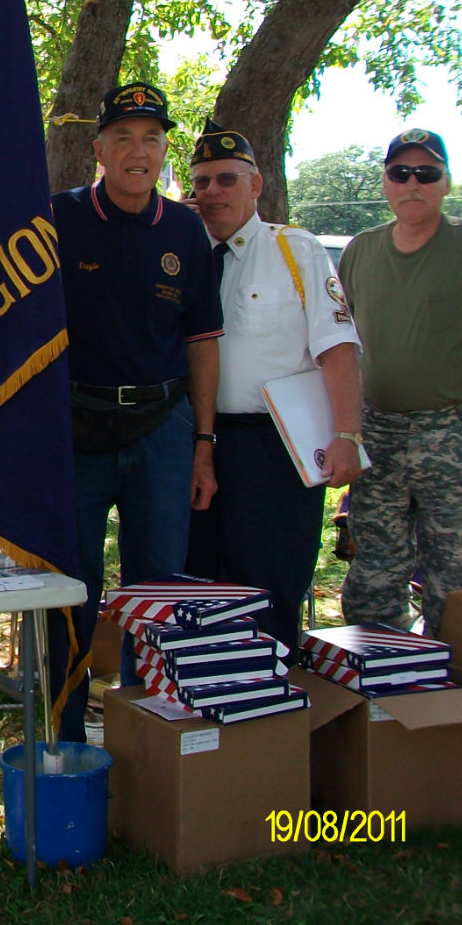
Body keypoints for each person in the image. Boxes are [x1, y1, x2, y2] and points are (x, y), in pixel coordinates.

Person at [49, 82, 223, 742]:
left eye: (152, 138)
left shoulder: (185, 230)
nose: (138, 151)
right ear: (99, 149)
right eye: (123, 137)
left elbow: (203, 342)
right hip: (77, 429)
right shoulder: (57, 218)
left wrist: (203, 441)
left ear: (163, 151)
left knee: (159, 587)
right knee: (72, 589)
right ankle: (62, 735)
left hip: (162, 430)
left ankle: (144, 732)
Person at [338, 127, 462, 635]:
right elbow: (340, 351)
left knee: (461, 581)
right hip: (378, 433)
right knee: (374, 574)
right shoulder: (360, 251)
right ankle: (382, 694)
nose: (413, 184)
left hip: (456, 434)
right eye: (400, 173)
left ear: (446, 183)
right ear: (385, 182)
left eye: (427, 173)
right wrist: (345, 434)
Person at [182, 122, 363, 653]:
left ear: (256, 185)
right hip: (197, 443)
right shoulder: (181, 258)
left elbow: (338, 347)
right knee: (198, 586)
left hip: (274, 450)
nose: (212, 192)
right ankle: (204, 709)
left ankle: (270, 712)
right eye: (202, 182)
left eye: (227, 180)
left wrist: (348, 434)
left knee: (270, 585)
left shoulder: (296, 251)